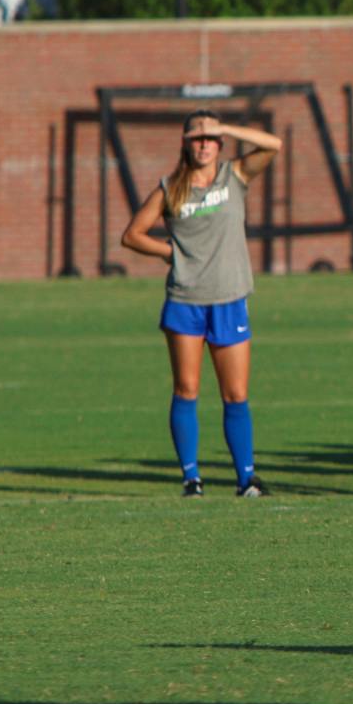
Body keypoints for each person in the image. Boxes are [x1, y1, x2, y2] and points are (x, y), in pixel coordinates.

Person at [120, 112, 283, 497]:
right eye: (197, 137)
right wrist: (169, 252)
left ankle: (246, 479)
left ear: (221, 143)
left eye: (211, 137)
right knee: (187, 388)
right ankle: (191, 478)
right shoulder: (170, 188)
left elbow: (273, 144)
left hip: (228, 298)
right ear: (185, 143)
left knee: (236, 394)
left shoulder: (235, 176)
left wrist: (225, 126)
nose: (204, 143)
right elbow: (132, 235)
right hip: (185, 300)